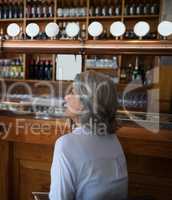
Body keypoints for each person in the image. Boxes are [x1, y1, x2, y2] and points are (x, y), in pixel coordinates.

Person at [49, 71, 128, 200]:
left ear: (86, 103)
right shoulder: (113, 139)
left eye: (73, 92)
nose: (66, 97)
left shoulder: (66, 144)